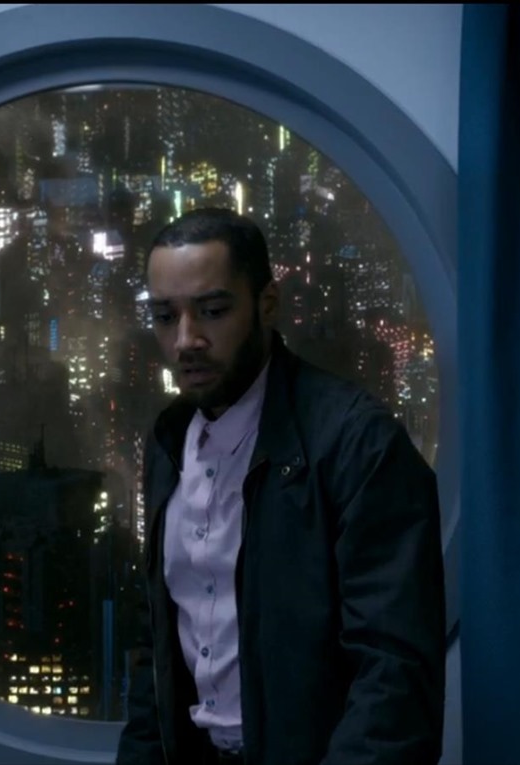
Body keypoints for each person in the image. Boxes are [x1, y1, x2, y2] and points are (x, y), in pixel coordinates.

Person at [116, 208, 445, 765]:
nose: (186, 340)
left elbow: (394, 677)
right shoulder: (167, 443)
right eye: (165, 316)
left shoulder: (358, 444)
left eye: (213, 311)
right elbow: (160, 649)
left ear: (266, 304)